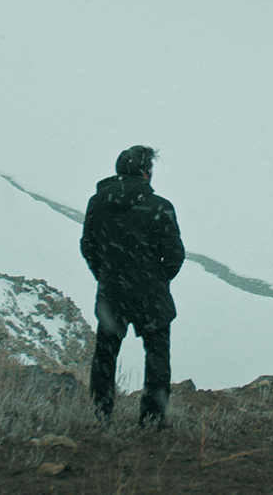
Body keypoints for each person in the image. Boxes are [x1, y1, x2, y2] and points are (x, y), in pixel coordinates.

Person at [81, 145, 184, 426]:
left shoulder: (97, 202)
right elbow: (175, 253)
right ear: (145, 172)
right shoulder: (160, 206)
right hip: (151, 293)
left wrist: (104, 274)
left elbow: (88, 246)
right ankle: (152, 418)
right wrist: (158, 279)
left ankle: (100, 415)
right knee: (157, 354)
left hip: (112, 291)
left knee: (105, 353)